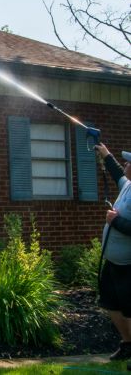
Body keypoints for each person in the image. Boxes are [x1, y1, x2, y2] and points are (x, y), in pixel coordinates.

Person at [93, 144, 131, 364]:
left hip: (128, 264)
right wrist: (104, 153)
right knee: (110, 304)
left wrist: (115, 221)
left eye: (129, 162)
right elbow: (117, 171)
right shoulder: (128, 185)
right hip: (112, 261)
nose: (125, 164)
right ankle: (127, 344)